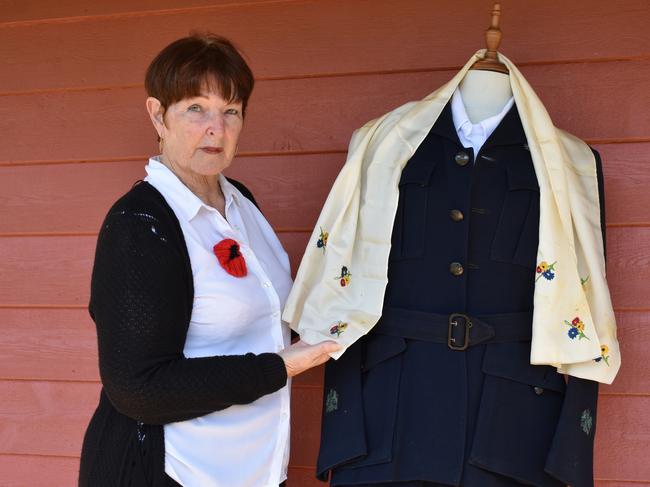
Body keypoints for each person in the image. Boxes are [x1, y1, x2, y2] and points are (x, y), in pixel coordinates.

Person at [283, 51, 620, 487]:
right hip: (389, 419)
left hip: (515, 433)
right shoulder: (383, 146)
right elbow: (343, 301)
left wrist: (570, 452)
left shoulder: (570, 161)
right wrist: (343, 433)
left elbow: (586, 306)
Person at [78, 33, 339, 487]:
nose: (215, 128)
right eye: (196, 108)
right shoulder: (140, 224)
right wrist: (282, 366)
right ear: (158, 115)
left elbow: (265, 315)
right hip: (171, 471)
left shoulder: (241, 205)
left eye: (231, 111)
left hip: (250, 469)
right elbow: (139, 387)